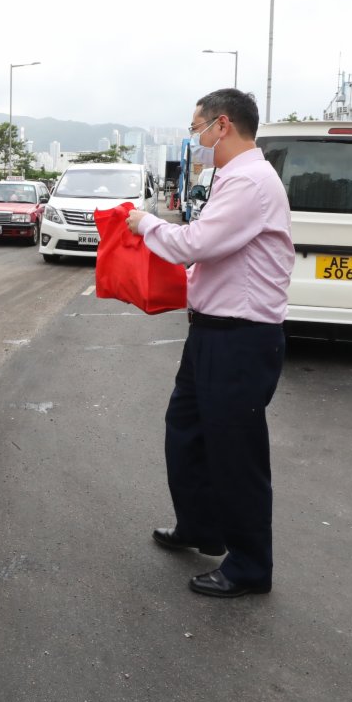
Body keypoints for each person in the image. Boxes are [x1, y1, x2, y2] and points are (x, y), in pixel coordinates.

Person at [125, 88, 293, 598]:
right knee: (187, 432)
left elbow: (194, 243)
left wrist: (144, 222)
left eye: (197, 127)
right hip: (212, 332)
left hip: (240, 339)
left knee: (235, 452)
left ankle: (249, 565)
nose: (194, 138)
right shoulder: (232, 177)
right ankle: (200, 525)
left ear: (222, 125)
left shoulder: (251, 182)